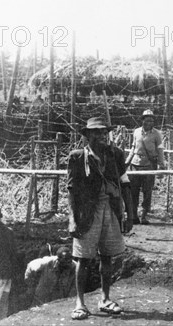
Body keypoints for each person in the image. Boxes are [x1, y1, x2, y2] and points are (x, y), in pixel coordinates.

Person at [67, 117, 127, 320]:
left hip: (110, 209)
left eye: (104, 132)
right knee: (83, 258)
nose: (102, 136)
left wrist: (127, 214)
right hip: (87, 212)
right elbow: (72, 191)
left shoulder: (115, 154)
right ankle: (80, 303)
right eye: (97, 133)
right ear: (88, 135)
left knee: (107, 256)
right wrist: (73, 219)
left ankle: (105, 298)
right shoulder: (77, 157)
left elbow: (122, 181)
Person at [125, 109, 166, 225]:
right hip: (135, 165)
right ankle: (133, 216)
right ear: (142, 120)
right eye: (146, 120)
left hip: (149, 165)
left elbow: (160, 150)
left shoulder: (157, 134)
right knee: (133, 191)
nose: (149, 123)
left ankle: (144, 216)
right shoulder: (136, 132)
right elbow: (133, 148)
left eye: (151, 121)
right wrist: (127, 162)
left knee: (147, 192)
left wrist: (161, 167)